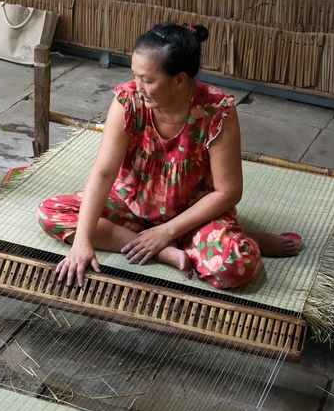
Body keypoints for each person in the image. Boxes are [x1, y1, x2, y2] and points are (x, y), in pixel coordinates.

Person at [37, 22, 303, 290]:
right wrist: (82, 242)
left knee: (233, 267)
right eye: (136, 75)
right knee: (51, 213)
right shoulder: (128, 100)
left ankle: (232, 236)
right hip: (133, 204)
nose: (138, 86)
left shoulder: (215, 110)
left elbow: (228, 192)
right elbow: (104, 172)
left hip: (194, 214)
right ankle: (166, 250)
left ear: (179, 80)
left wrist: (166, 230)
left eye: (148, 80)